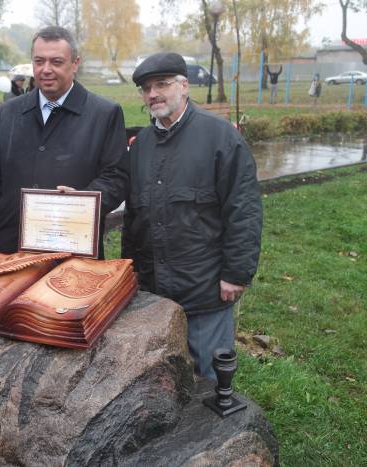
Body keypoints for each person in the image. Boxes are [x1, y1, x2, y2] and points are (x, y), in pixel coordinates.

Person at [122, 52, 263, 380]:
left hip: (205, 287)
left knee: (210, 376)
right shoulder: (141, 145)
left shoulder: (220, 137)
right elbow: (134, 217)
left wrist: (237, 272)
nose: (153, 93)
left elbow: (243, 208)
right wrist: (128, 273)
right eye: (146, 88)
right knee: (162, 373)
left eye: (162, 84)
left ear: (184, 86)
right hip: (153, 289)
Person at [0, 26, 128, 258]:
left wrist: (81, 202)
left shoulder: (104, 114)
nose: (46, 70)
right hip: (12, 244)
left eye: (56, 62)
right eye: (39, 61)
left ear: (75, 63)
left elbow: (117, 177)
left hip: (73, 246)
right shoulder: (10, 112)